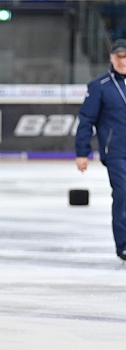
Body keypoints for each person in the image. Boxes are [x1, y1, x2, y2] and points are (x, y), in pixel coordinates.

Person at [76, 39, 126, 263]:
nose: (122, 61)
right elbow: (86, 120)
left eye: (125, 57)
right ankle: (124, 245)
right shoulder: (100, 85)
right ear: (111, 58)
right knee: (123, 193)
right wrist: (82, 152)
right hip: (116, 151)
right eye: (119, 57)